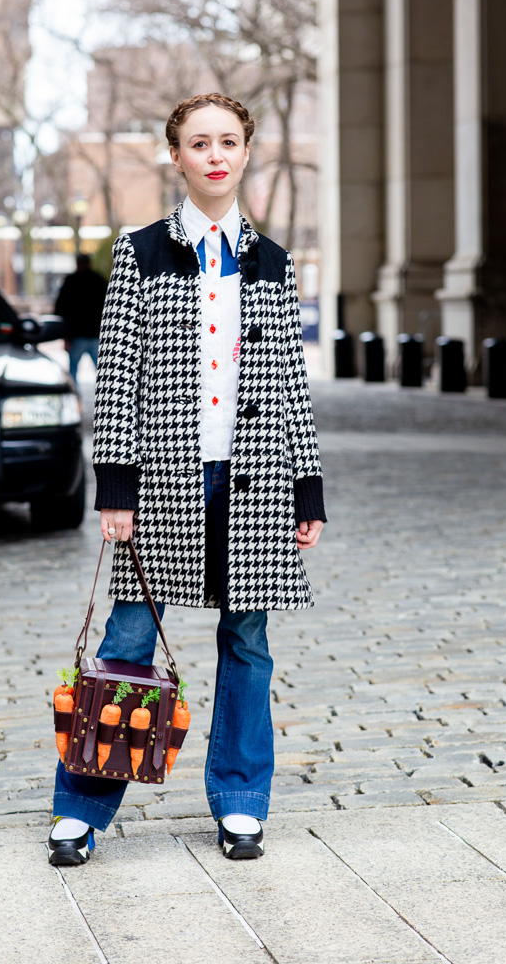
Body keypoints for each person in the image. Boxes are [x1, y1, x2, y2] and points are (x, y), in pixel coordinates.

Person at [48, 92, 325, 866]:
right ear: (175, 156)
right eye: (197, 142)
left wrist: (307, 490)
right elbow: (118, 375)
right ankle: (82, 808)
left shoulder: (271, 259)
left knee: (248, 640)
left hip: (256, 482)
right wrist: (114, 485)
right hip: (165, 478)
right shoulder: (139, 250)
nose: (214, 154)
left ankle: (240, 802)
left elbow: (290, 383)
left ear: (244, 153)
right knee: (128, 638)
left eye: (228, 141)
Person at [54, 253, 108, 385]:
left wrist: (64, 336)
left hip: (76, 335)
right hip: (97, 334)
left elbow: (60, 309)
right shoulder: (99, 280)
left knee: (73, 371)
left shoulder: (70, 281)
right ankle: (105, 399)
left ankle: (75, 400)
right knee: (103, 372)